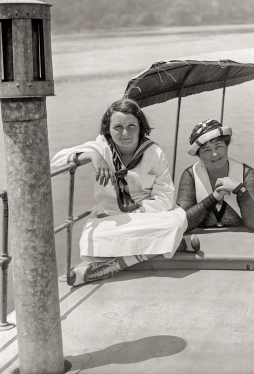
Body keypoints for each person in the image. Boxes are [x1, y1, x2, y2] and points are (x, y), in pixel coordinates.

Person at [52, 99, 195, 286]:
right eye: (118, 127)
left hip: (150, 214)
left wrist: (138, 212)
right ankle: (176, 244)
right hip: (114, 215)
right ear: (108, 129)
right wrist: (92, 156)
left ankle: (110, 267)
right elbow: (56, 162)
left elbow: (165, 198)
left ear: (141, 127)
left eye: (131, 126)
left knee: (174, 224)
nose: (125, 133)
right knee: (92, 238)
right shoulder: (101, 147)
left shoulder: (154, 152)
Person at [177, 119, 254, 232]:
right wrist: (214, 198)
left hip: (242, 245)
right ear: (199, 155)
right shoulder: (190, 175)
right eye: (206, 150)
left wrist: (240, 190)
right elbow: (181, 224)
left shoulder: (247, 173)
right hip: (203, 247)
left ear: (227, 146)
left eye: (218, 146)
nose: (214, 154)